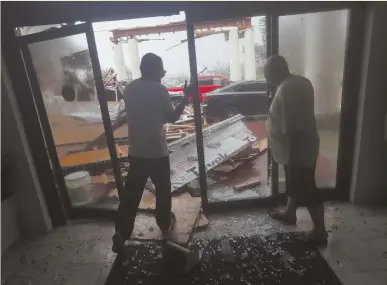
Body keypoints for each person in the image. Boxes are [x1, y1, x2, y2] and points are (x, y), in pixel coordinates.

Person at [113, 53, 191, 255]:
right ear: (153, 69)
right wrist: (185, 97)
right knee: (163, 190)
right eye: (161, 69)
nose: (162, 73)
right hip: (157, 152)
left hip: (137, 152)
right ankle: (164, 222)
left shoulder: (130, 88)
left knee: (131, 195)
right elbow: (172, 118)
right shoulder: (160, 90)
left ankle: (121, 233)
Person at [264, 55, 328, 244]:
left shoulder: (286, 89)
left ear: (275, 72)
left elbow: (294, 125)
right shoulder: (300, 81)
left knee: (306, 187)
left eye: (267, 74)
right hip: (299, 145)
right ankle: (290, 213)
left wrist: (294, 156)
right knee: (296, 183)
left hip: (296, 147)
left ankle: (320, 230)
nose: (267, 79)